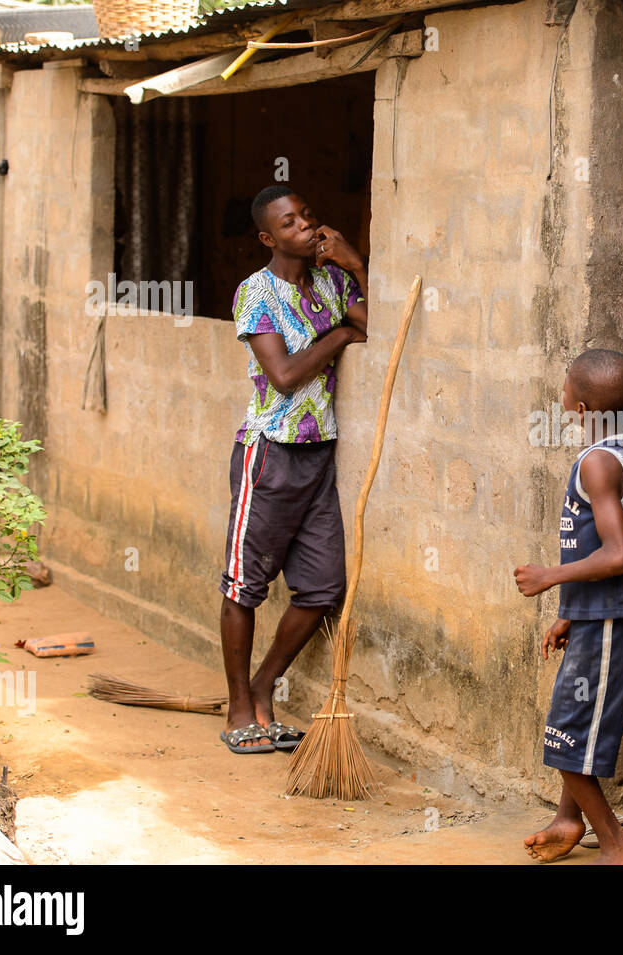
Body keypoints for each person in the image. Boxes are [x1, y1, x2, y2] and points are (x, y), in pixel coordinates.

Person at [217, 185, 371, 754]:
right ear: (268, 237)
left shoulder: (332, 283)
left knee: (324, 587)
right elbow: (283, 375)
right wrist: (338, 334)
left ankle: (264, 683)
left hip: (318, 455)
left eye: (308, 215)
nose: (305, 226)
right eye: (289, 223)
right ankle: (240, 706)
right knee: (244, 585)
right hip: (270, 454)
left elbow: (380, 323)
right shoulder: (255, 293)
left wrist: (356, 264)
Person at [514, 349, 623, 865]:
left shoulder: (598, 463)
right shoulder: (616, 451)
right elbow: (596, 544)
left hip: (613, 621)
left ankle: (618, 845)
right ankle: (568, 819)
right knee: (572, 732)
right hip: (600, 617)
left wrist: (550, 578)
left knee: (565, 737)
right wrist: (571, 612)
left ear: (579, 407)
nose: (561, 397)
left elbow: (617, 555)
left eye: (565, 389)